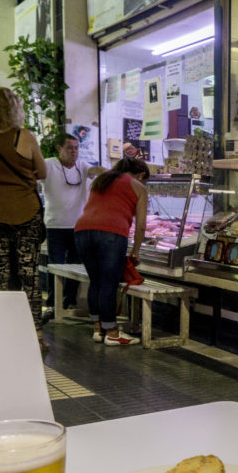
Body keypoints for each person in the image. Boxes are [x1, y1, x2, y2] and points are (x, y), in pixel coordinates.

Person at [0, 86, 48, 351]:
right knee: (29, 275)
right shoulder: (23, 136)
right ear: (14, 107)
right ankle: (35, 333)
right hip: (26, 213)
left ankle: (1, 331)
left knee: (0, 275)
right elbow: (43, 172)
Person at [74, 158, 148, 346]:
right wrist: (136, 251)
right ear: (140, 175)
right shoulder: (138, 187)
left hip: (82, 231)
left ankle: (98, 329)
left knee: (96, 281)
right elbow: (141, 226)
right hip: (111, 234)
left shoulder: (102, 179)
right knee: (109, 283)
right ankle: (113, 333)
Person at [42, 133, 106, 315]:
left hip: (78, 227)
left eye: (76, 148)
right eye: (70, 148)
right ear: (59, 148)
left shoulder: (82, 166)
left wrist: (110, 173)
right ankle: (54, 304)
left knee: (76, 266)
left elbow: (96, 171)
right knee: (56, 266)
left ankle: (68, 301)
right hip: (55, 226)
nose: (74, 152)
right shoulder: (48, 165)